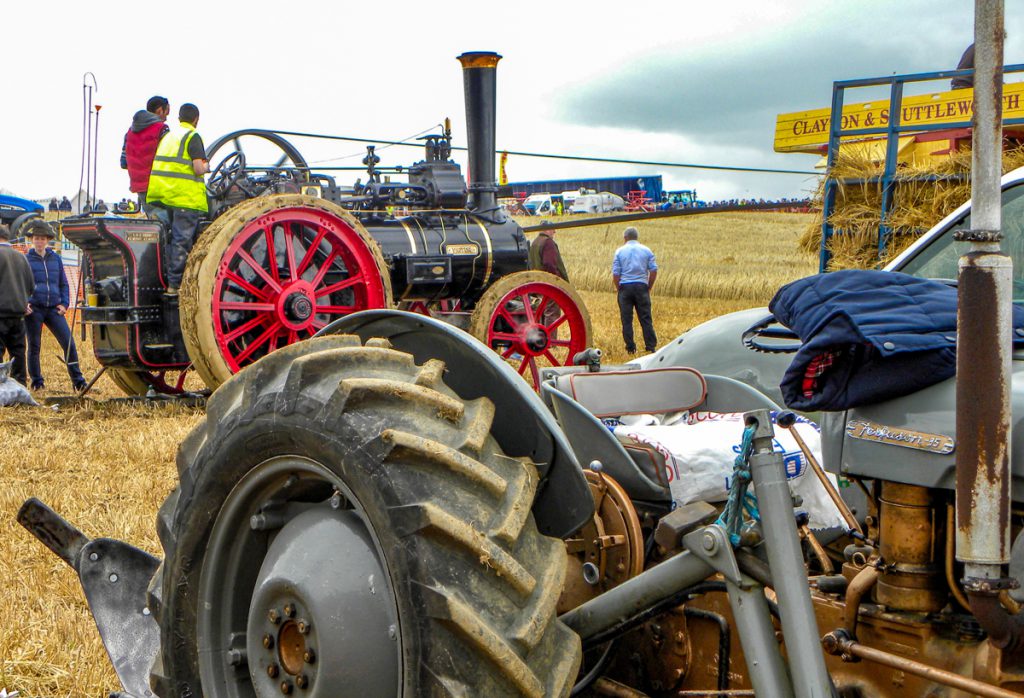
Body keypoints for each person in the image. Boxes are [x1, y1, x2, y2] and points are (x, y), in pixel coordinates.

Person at [146, 103, 210, 296]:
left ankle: (168, 280)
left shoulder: (168, 136)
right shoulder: (193, 136)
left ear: (179, 118)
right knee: (182, 241)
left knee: (170, 240)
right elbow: (198, 168)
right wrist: (208, 167)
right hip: (185, 198)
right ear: (196, 119)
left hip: (165, 196)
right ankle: (176, 287)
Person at [24, 220, 87, 391]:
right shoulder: (26, 259)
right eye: (36, 238)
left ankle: (78, 381)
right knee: (34, 346)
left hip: (54, 309)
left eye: (42, 238)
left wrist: (65, 303)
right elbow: (21, 284)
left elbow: (64, 283)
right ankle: (37, 382)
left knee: (68, 343)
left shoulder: (56, 259)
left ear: (48, 240)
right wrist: (24, 303)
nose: (39, 241)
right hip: (34, 309)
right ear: (32, 240)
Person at [612, 226, 658, 355]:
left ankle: (630, 348)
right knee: (645, 318)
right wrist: (648, 286)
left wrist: (619, 288)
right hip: (641, 286)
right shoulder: (646, 250)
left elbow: (616, 273)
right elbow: (653, 270)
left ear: (625, 238)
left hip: (625, 287)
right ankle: (650, 346)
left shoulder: (619, 251)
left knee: (626, 320)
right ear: (637, 237)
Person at [121, 95, 171, 214]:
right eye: (166, 113)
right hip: (159, 185)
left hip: (139, 186)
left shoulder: (130, 132)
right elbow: (169, 158)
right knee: (166, 223)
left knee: (154, 223)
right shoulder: (162, 129)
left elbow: (123, 163)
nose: (166, 118)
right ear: (160, 111)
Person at [0, 224, 35, 386]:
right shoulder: (21, 257)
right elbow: (31, 286)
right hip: (18, 314)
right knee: (18, 353)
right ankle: (20, 386)